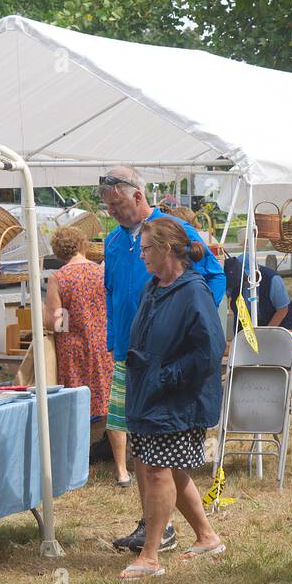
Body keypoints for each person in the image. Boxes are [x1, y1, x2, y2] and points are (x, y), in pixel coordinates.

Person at [102, 166, 224, 553]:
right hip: (129, 355)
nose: (115, 213)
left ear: (138, 195)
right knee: (145, 450)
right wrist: (113, 339)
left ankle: (156, 532)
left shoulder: (169, 229)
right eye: (109, 208)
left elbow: (214, 277)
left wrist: (188, 319)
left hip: (164, 358)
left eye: (119, 205)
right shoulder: (112, 241)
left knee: (154, 456)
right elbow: (113, 292)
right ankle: (189, 532)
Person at [44, 226, 114, 421]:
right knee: (110, 406)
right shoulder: (101, 272)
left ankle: (79, 451)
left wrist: (43, 313)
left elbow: (57, 323)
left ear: (58, 252)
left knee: (76, 408)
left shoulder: (58, 278)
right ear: (83, 244)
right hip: (104, 345)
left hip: (73, 350)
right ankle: (119, 453)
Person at [223, 254, 292, 330]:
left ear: (257, 269)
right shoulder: (234, 279)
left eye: (249, 275)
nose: (247, 279)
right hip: (246, 322)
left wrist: (266, 332)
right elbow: (223, 297)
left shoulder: (272, 279)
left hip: (277, 322)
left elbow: (282, 309)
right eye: (243, 277)